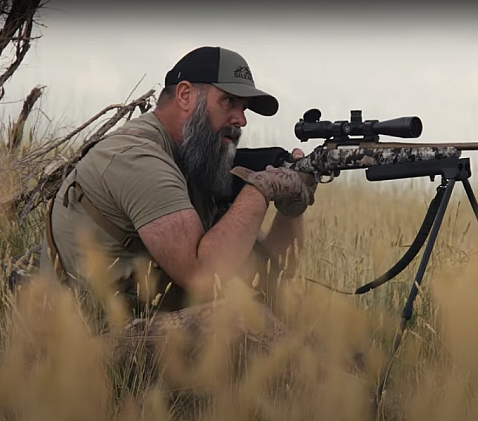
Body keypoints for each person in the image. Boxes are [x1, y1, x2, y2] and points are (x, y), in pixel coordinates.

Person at [39, 46, 318, 386]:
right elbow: (202, 275)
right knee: (236, 321)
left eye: (244, 109)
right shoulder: (138, 157)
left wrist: (292, 206)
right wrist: (260, 190)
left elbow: (272, 274)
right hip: (85, 348)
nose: (241, 119)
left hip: (145, 328)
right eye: (229, 102)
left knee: (315, 322)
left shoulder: (194, 161)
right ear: (186, 95)